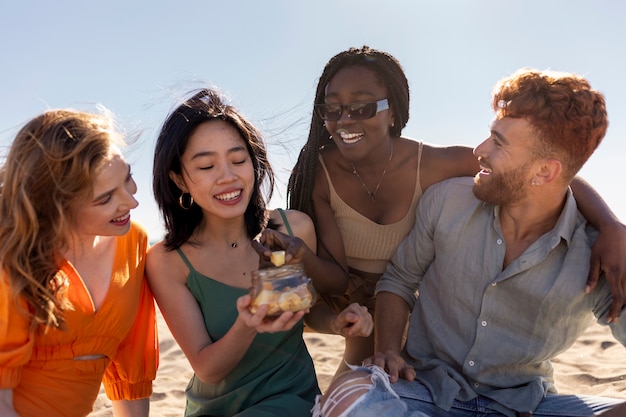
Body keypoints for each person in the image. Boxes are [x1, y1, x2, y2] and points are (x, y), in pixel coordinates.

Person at [287, 45, 626, 376]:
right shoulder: (319, 171)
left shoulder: (436, 165)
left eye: (361, 108)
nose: (344, 120)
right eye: (332, 109)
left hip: (406, 315)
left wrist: (610, 224)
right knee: (350, 401)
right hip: (346, 306)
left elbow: (544, 173)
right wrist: (302, 257)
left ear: (393, 111)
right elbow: (339, 279)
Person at [146, 88, 372, 417]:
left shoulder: (294, 229)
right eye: (207, 166)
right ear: (180, 180)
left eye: (238, 160)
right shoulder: (168, 261)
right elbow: (208, 368)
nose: (228, 176)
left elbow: (304, 312)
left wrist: (337, 323)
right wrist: (248, 321)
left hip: (294, 401)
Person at [0, 109, 158, 417]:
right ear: (56, 205)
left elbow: (130, 372)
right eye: (105, 199)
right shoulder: (12, 255)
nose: (132, 202)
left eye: (128, 178)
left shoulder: (133, 241)